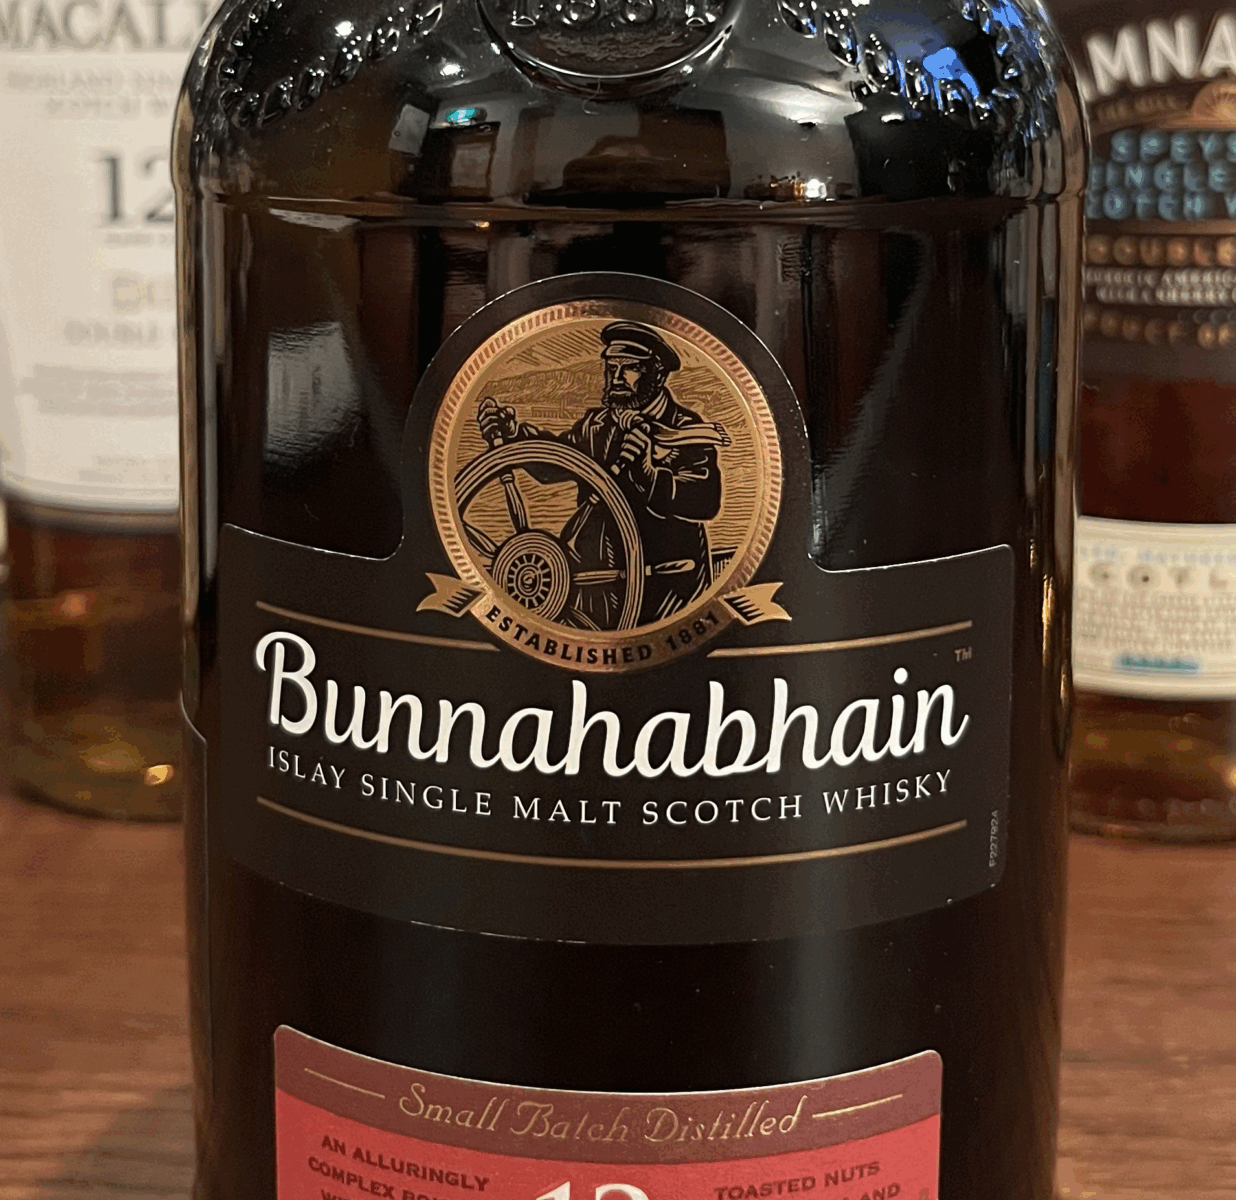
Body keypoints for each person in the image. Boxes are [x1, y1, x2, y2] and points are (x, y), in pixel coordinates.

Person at [475, 321, 725, 630]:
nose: (616, 377)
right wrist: (514, 435)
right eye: (611, 368)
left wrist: (649, 476)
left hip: (667, 597)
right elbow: (555, 462)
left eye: (630, 368)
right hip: (596, 595)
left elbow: (705, 499)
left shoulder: (685, 430)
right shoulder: (596, 426)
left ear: (658, 375)